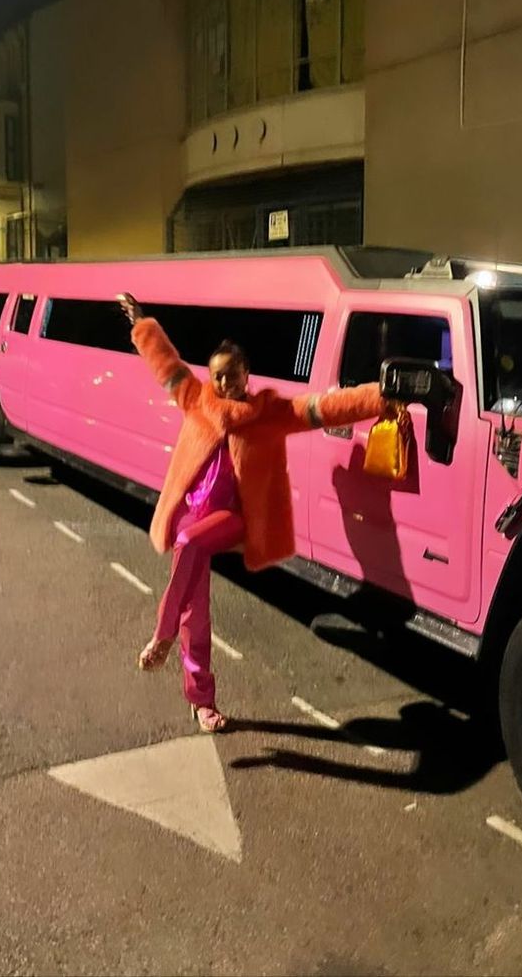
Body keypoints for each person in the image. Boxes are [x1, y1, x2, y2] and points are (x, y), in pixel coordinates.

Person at [118, 293, 387, 733]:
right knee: (195, 609)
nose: (224, 384)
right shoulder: (195, 400)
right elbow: (165, 364)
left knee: (188, 546)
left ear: (247, 374)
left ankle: (161, 635)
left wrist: (382, 395)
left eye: (232, 375)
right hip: (191, 514)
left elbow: (324, 406)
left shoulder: (270, 413)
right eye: (217, 377)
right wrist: (143, 323)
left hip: (232, 519)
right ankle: (201, 699)